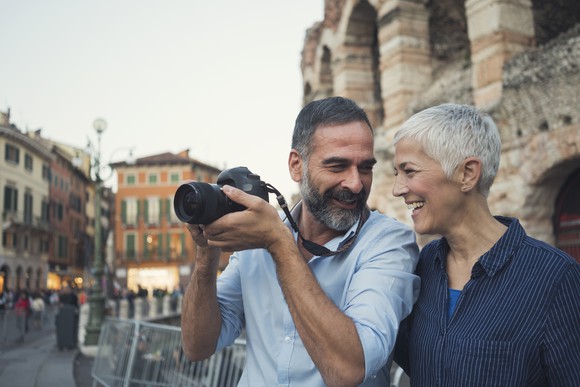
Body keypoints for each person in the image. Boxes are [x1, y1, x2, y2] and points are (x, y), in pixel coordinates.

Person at [181, 96, 420, 386]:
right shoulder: (257, 241)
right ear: (297, 166)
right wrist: (206, 253)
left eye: (365, 168)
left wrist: (279, 244)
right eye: (337, 166)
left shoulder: (389, 243)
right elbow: (197, 346)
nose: (356, 184)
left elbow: (348, 369)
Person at [392, 103, 580, 386]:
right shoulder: (424, 264)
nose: (398, 189)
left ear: (467, 173)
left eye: (409, 171)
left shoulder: (555, 277)